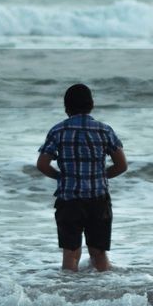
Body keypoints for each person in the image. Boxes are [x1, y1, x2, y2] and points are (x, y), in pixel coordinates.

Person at [35, 83, 127, 271]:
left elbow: (42, 165)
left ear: (66, 107)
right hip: (98, 199)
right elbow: (121, 165)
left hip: (69, 200)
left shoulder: (58, 130)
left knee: (70, 254)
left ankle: (69, 295)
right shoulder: (104, 130)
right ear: (91, 105)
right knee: (99, 254)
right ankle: (108, 293)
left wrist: (62, 177)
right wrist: (100, 175)